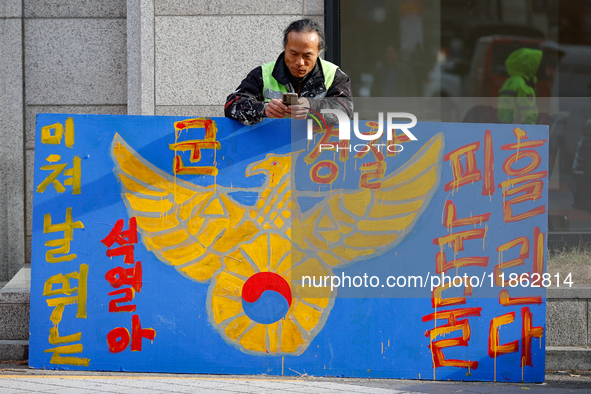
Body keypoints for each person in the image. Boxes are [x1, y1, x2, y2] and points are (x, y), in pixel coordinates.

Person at [225, 19, 352, 126]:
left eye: (307, 55)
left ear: (319, 52)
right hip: (269, 151)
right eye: (294, 54)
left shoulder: (334, 75)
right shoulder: (262, 74)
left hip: (316, 152)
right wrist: (263, 109)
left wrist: (311, 108)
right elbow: (231, 105)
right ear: (285, 49)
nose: (299, 62)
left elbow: (346, 111)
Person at [497, 48, 543, 125]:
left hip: (507, 127)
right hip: (520, 131)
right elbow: (528, 115)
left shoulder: (511, 82)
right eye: (537, 64)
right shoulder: (524, 86)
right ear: (529, 65)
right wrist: (532, 132)